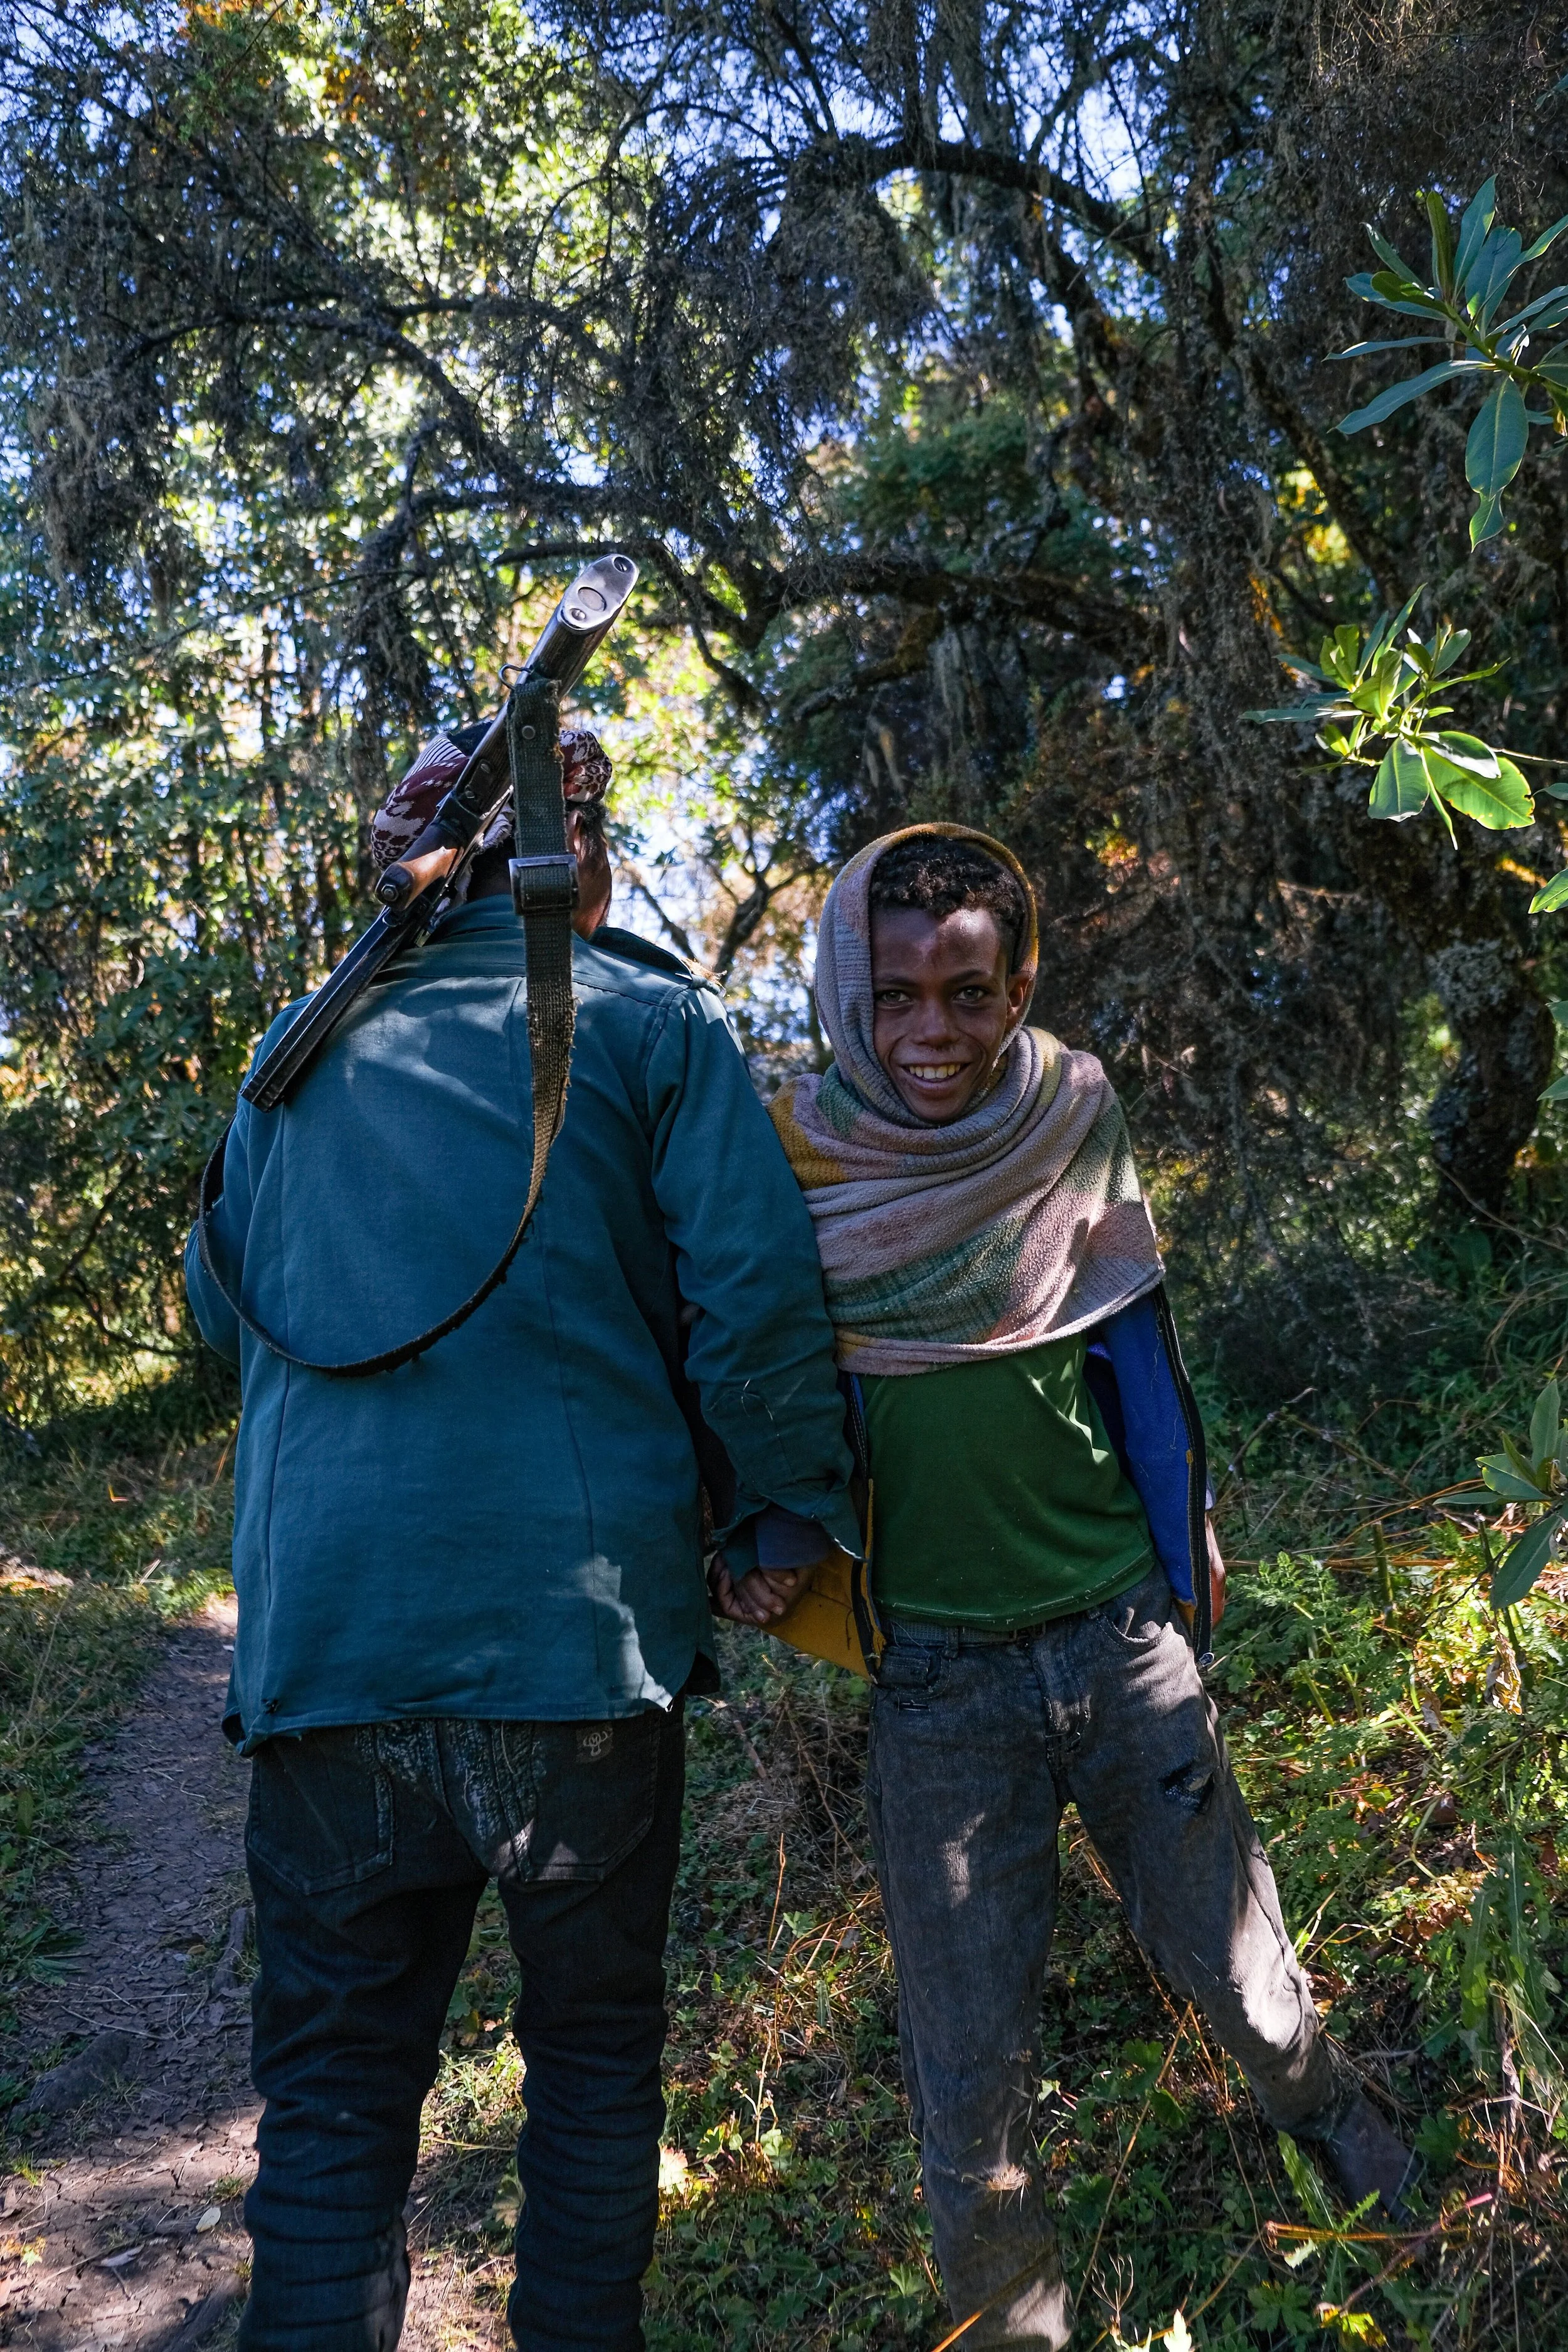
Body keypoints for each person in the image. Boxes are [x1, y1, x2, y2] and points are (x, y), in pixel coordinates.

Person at [185, 721, 859, 2352]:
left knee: (336, 2096)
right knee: (592, 2056)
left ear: (407, 860)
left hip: (324, 1646)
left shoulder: (294, 1047)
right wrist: (778, 1510)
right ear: (584, 856)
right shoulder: (643, 1018)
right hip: (573, 1643)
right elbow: (755, 1304)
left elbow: (223, 1307)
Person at [714, 825, 1415, 2349]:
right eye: (895, 994)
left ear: (1019, 980)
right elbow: (755, 1363)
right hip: (937, 1680)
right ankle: (1010, 2316)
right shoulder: (794, 1149)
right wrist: (757, 1538)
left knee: (1239, 1973)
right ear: (848, 989)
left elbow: (1129, 1320)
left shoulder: (1070, 1104)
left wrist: (1190, 1531)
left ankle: (1342, 2131)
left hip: (1117, 1632)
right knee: (964, 2056)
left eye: (967, 993)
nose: (930, 1033)